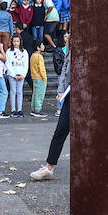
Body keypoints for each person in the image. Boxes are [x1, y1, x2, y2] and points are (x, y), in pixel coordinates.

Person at [31, 39, 72, 181]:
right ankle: (49, 168)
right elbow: (65, 68)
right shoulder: (70, 44)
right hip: (70, 95)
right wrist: (61, 91)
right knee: (60, 130)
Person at [6, 33, 29, 117]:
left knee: (19, 92)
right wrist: (13, 74)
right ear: (12, 42)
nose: (16, 43)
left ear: (20, 42)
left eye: (17, 41)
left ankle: (19, 109)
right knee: (13, 91)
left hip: (21, 73)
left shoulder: (24, 52)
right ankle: (13, 109)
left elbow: (26, 64)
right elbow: (8, 63)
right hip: (12, 74)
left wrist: (23, 74)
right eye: (14, 41)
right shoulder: (9, 51)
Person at [29, 39, 48, 116]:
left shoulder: (32, 55)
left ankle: (34, 108)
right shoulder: (39, 56)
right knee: (39, 94)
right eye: (42, 45)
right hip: (40, 77)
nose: (43, 46)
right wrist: (45, 78)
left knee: (35, 93)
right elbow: (42, 68)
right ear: (38, 47)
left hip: (34, 76)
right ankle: (37, 109)